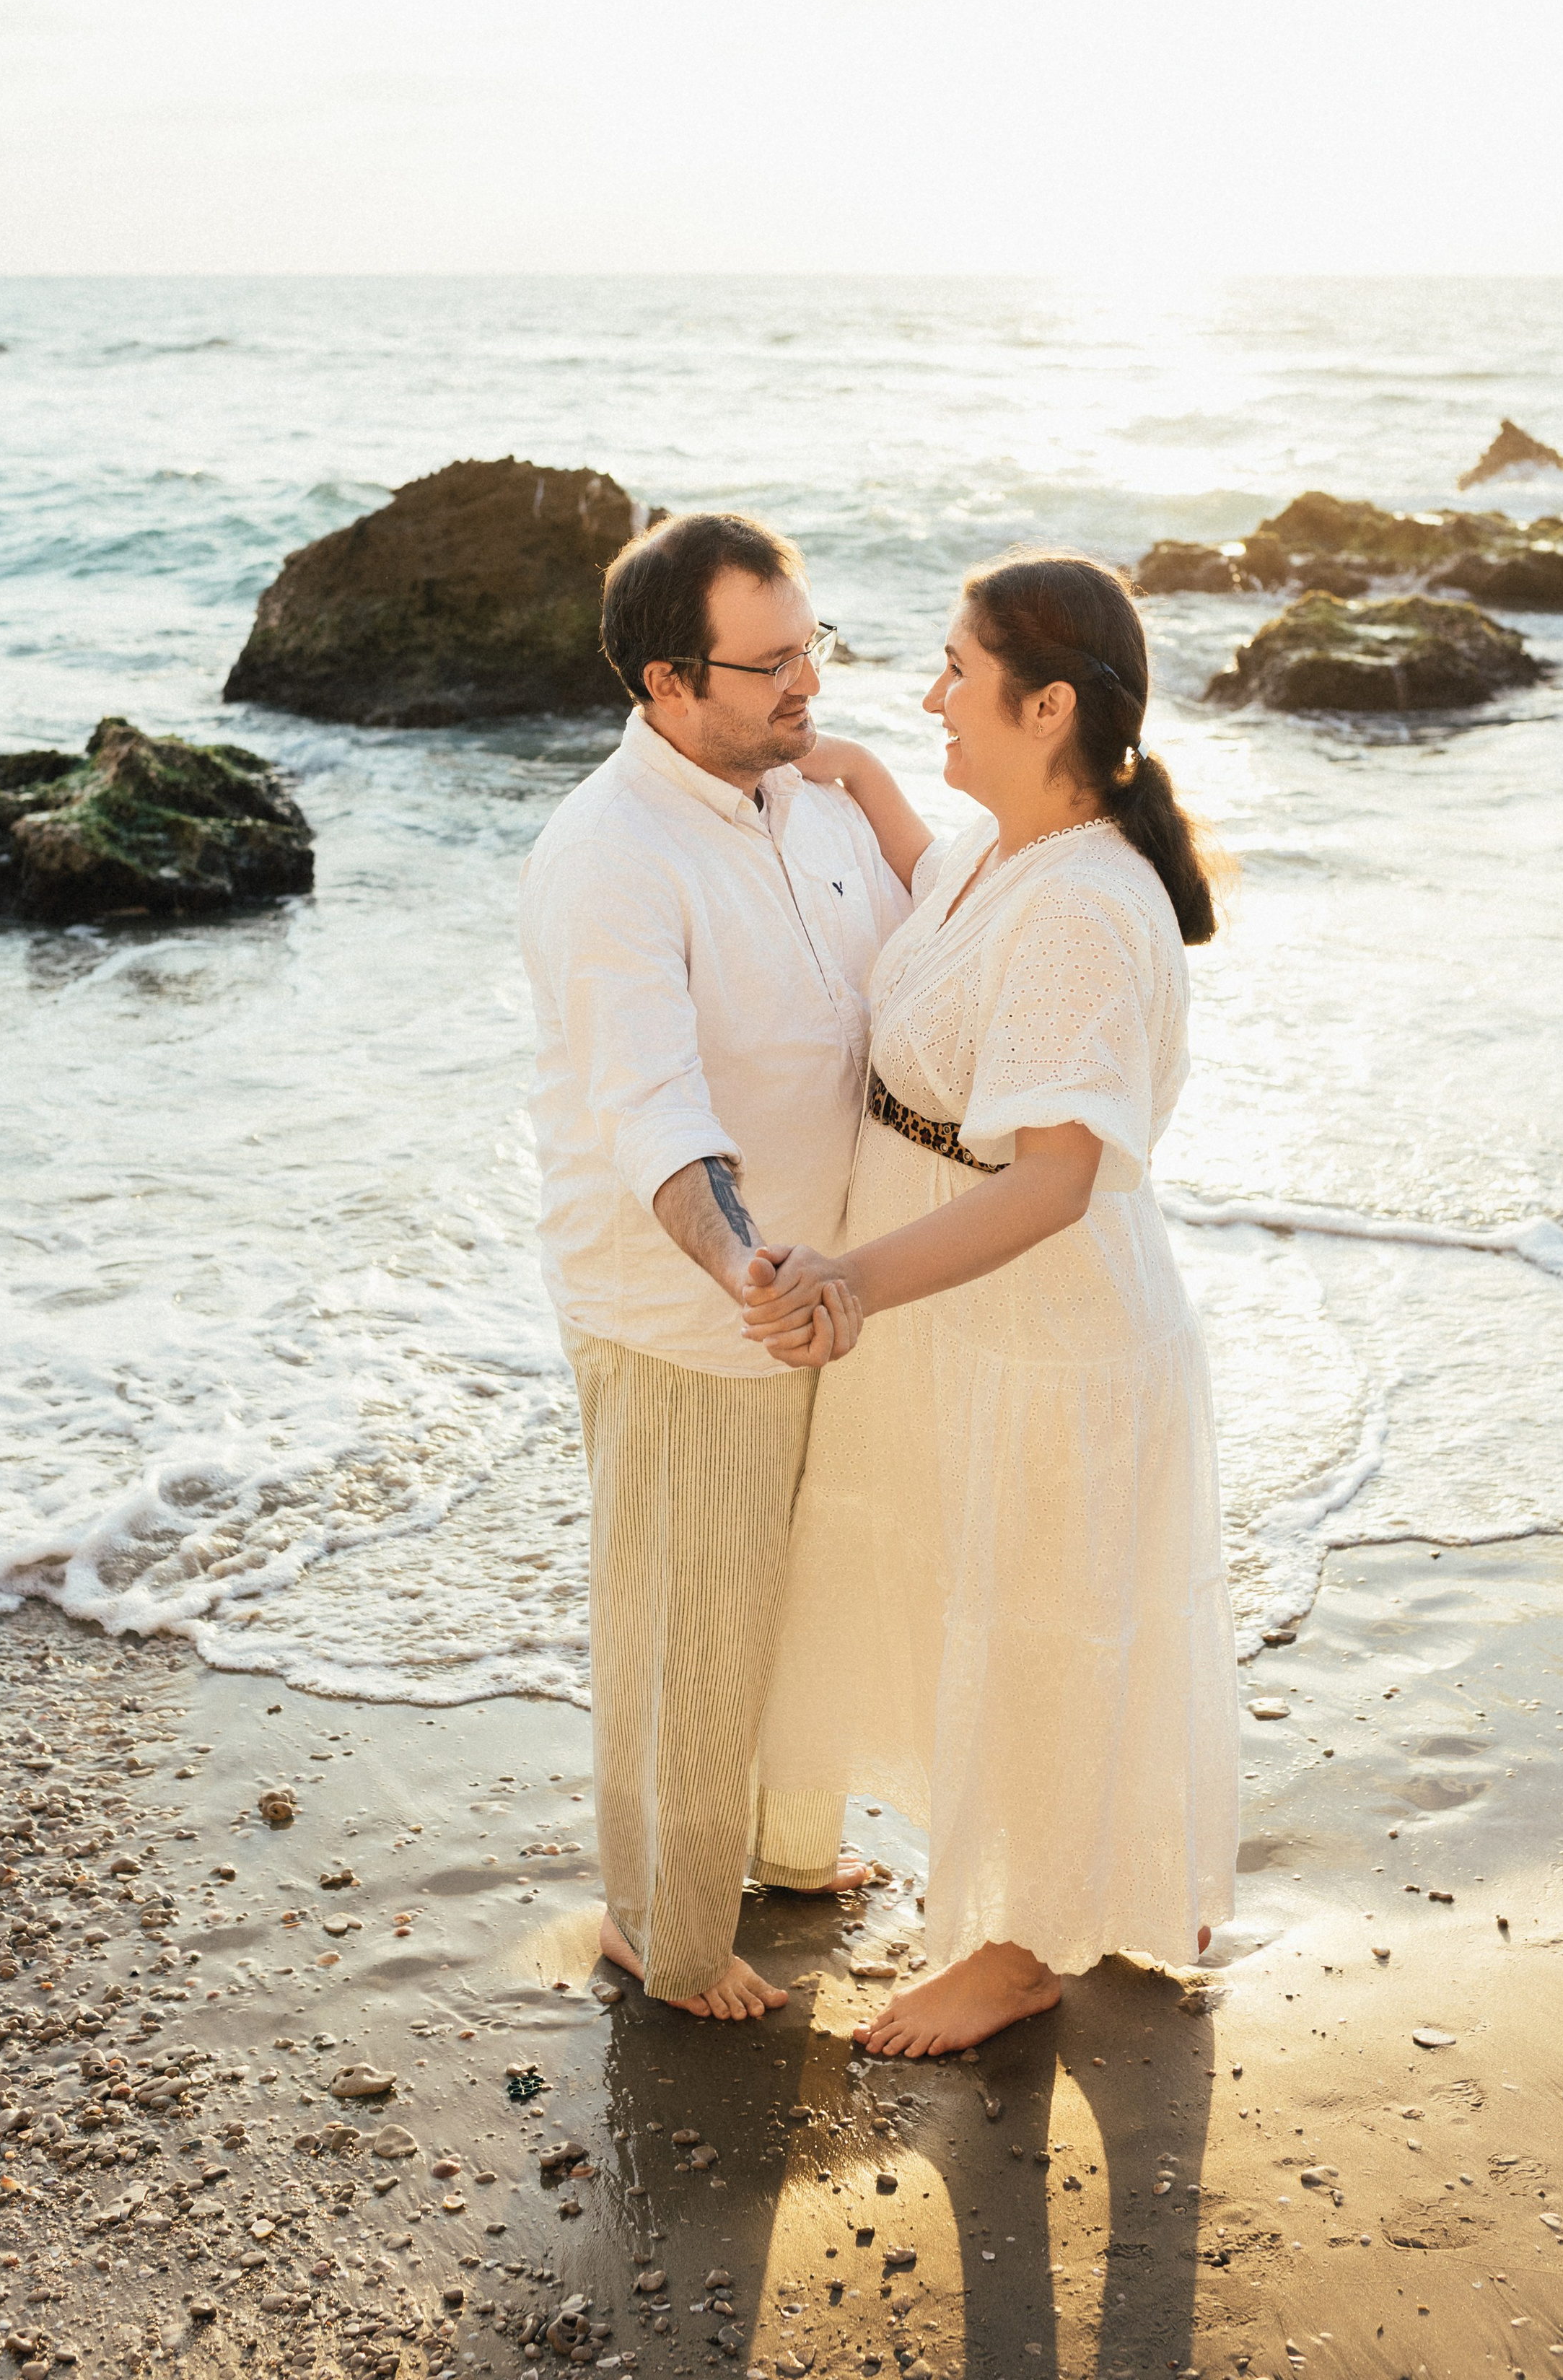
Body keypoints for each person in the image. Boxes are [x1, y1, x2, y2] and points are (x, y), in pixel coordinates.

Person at [743, 549, 1238, 2057]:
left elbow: (1053, 1183)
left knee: (1033, 1620)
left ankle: (1018, 1951)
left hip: (1046, 1327)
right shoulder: (992, 845)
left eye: (953, 672)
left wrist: (849, 1283)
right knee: (966, 1597)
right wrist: (865, 778)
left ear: (1045, 706)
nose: (926, 690)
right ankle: (1062, 1886)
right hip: (966, 1314)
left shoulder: (1088, 905)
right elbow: (927, 902)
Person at [518, 510, 920, 2021]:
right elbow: (652, 1115)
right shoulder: (606, 857)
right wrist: (751, 1268)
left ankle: (796, 1851)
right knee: (691, 1620)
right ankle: (664, 1933)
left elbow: (922, 958)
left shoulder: (804, 794)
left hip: (838, 1285)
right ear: (668, 682)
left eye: (812, 645)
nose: (805, 682)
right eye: (771, 664)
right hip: (688, 1305)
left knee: (808, 1587)